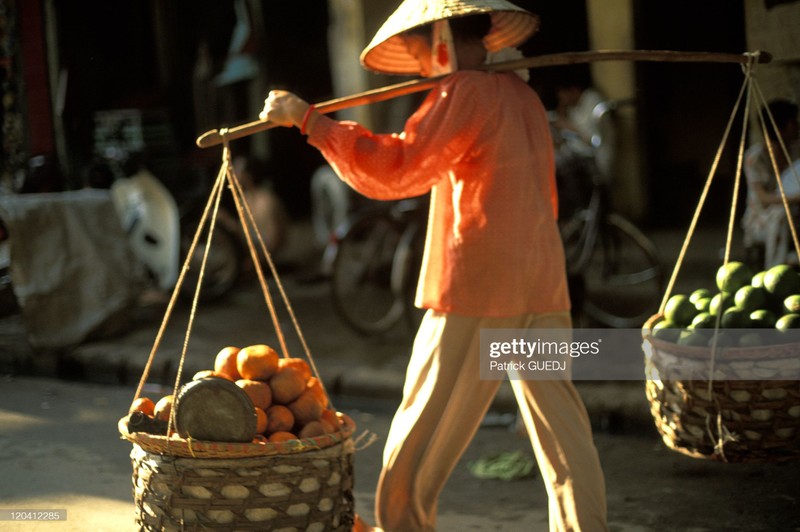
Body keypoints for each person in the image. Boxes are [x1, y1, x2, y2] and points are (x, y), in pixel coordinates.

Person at [260, 1, 608, 530]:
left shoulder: (464, 92)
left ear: (440, 38)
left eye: (420, 48)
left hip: (477, 287)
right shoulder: (522, 95)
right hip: (539, 280)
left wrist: (311, 121)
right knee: (560, 427)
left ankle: (404, 525)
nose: (420, 63)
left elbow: (398, 168)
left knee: (426, 418)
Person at [741, 98, 800, 269]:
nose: (797, 126)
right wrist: (794, 199)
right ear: (780, 128)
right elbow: (764, 199)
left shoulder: (796, 152)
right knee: (781, 215)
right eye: (793, 122)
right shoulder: (755, 157)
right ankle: (775, 274)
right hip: (763, 220)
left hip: (795, 217)